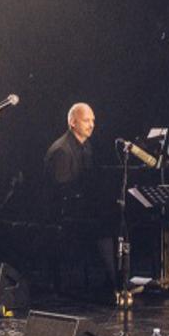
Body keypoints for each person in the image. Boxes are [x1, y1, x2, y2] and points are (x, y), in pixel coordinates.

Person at [44, 102, 114, 297]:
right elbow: (62, 192)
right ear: (73, 123)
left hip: (78, 206)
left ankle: (112, 280)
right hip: (62, 213)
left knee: (116, 218)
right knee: (106, 226)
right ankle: (114, 282)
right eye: (86, 120)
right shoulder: (62, 150)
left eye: (93, 120)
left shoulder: (86, 146)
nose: (91, 125)